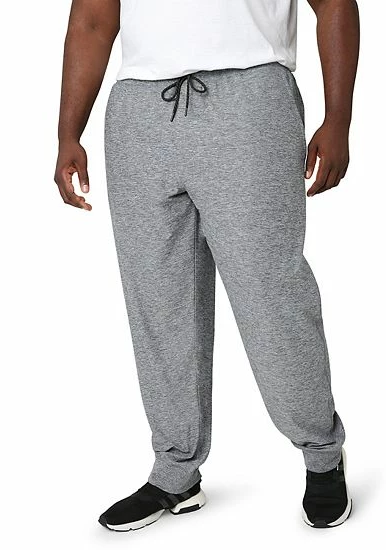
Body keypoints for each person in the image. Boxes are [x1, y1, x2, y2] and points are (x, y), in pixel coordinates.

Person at [54, 0, 360, 532]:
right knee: (158, 301)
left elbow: (335, 5)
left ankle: (321, 454)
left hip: (250, 99)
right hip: (139, 111)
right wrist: (67, 134)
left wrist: (338, 120)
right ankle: (176, 470)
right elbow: (93, 20)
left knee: (270, 294)